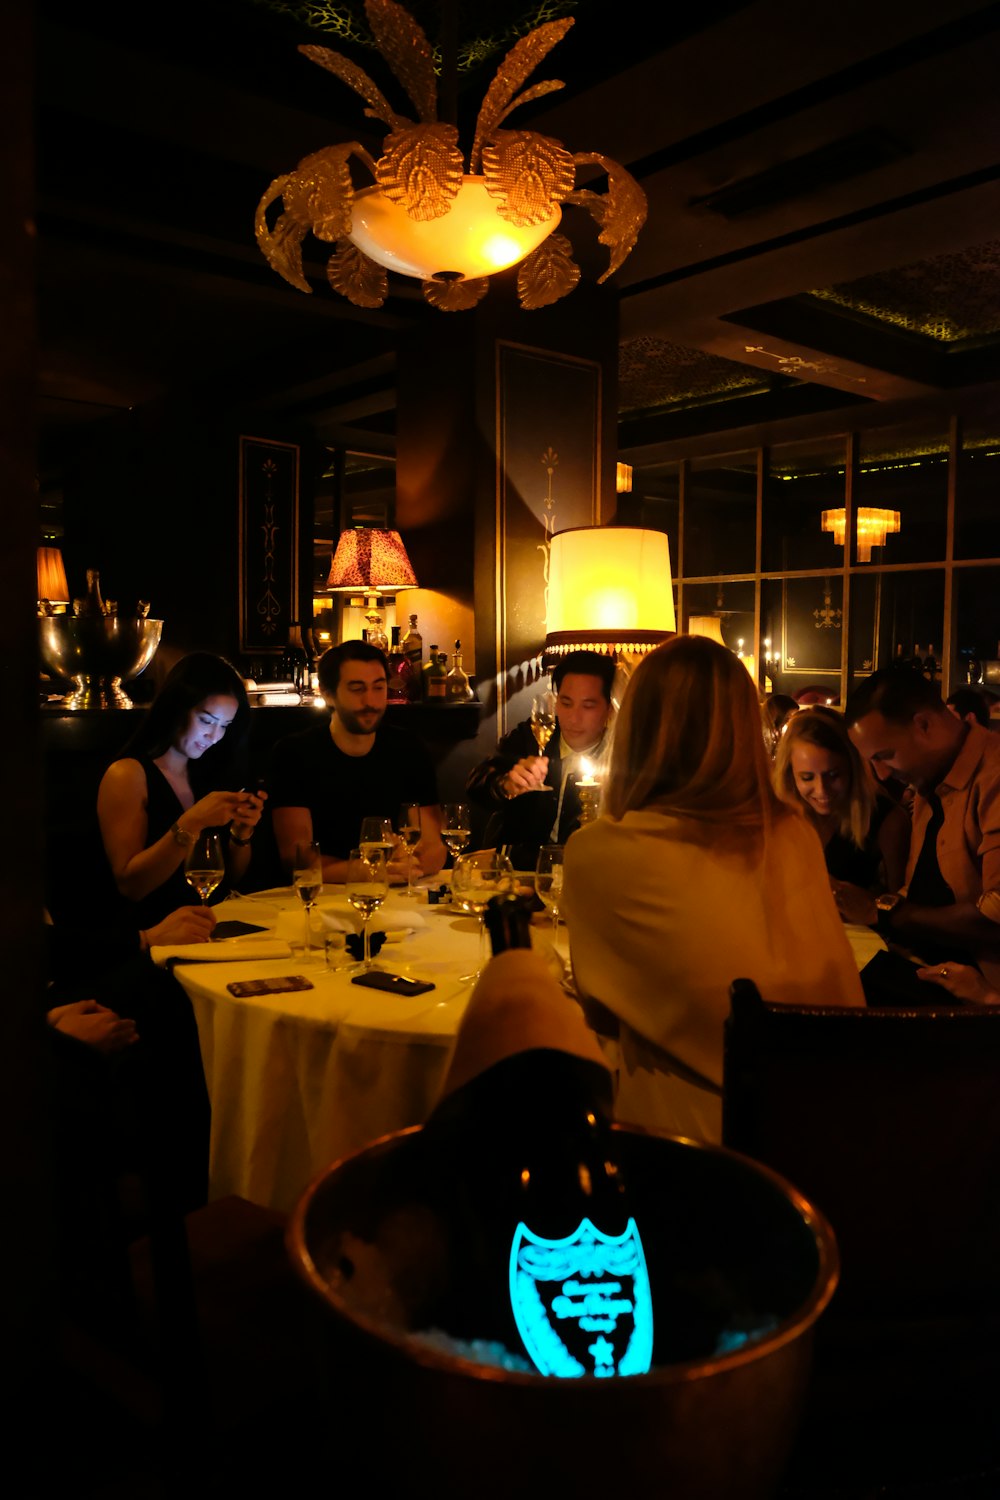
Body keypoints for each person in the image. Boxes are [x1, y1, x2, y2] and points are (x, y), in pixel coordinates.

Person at [561, 636, 864, 1145]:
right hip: (827, 1131)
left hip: (691, 1155)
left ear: (633, 724)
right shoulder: (793, 833)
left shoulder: (599, 852)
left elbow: (602, 1016)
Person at [845, 666, 1000, 986]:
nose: (881, 775)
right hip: (918, 963)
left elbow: (995, 917)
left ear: (924, 724)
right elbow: (922, 890)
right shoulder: (929, 781)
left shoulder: (993, 777)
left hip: (976, 996)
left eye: (884, 756)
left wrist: (885, 913)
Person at [97, 653, 265, 928]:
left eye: (225, 726)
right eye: (207, 721)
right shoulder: (128, 774)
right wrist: (192, 822)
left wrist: (241, 834)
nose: (215, 737)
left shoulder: (209, 771)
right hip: (153, 934)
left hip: (212, 926)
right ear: (176, 708)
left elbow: (230, 880)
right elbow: (131, 886)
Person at [269, 639, 445, 885]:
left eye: (378, 687)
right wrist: (365, 871)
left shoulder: (409, 749)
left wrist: (410, 864)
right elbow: (297, 858)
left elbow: (435, 848)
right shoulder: (295, 752)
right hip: (322, 897)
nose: (371, 702)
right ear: (328, 695)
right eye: (357, 688)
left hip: (396, 896)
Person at [467, 650, 615, 868]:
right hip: (517, 875)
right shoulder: (530, 738)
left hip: (588, 875)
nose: (574, 718)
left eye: (588, 706)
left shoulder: (621, 756)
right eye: (566, 703)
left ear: (608, 710)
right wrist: (506, 784)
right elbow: (476, 785)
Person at [773, 705, 910, 910]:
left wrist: (863, 901)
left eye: (833, 775)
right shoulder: (777, 816)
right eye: (807, 778)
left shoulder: (887, 820)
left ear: (853, 768)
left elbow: (904, 909)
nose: (822, 791)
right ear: (790, 775)